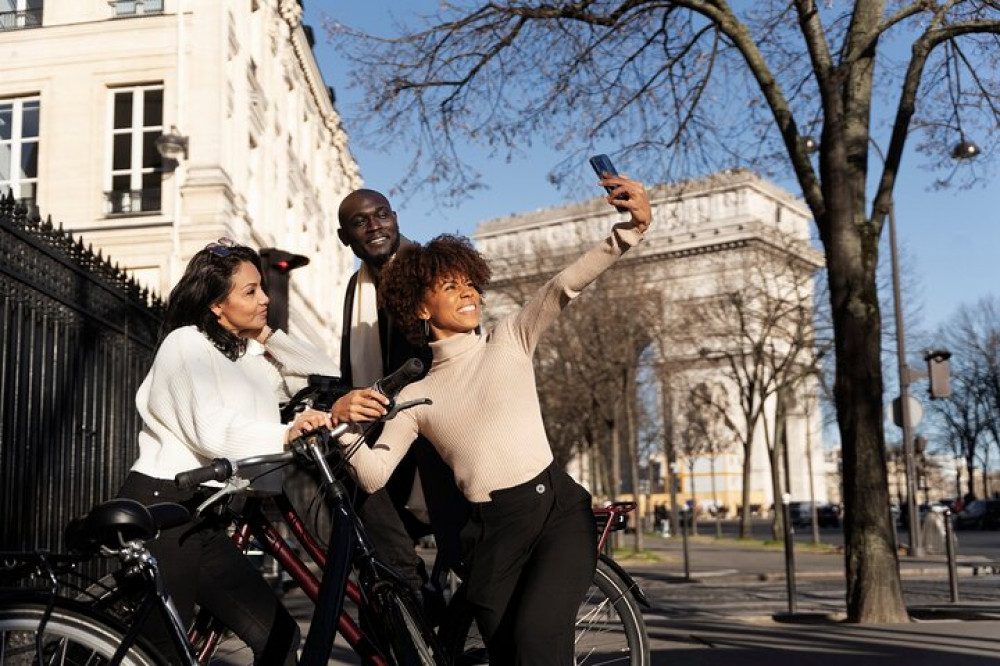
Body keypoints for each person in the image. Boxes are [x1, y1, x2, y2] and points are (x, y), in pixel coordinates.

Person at [343, 174, 652, 664]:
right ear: (422, 307)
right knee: (509, 656)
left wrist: (628, 232)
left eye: (470, 284)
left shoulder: (509, 338)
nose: (469, 295)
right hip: (488, 539)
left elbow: (563, 285)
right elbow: (373, 474)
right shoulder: (415, 396)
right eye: (451, 287)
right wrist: (343, 426)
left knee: (535, 642)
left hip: (553, 516)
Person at [116, 238, 385, 664]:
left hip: (200, 518)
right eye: (251, 291)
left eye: (263, 288)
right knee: (162, 652)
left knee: (279, 636)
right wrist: (285, 432)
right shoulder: (185, 345)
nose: (265, 299)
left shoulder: (249, 359)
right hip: (160, 505)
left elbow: (323, 374)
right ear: (216, 305)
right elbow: (213, 431)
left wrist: (267, 334)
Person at [337, 189, 468, 595]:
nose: (374, 225)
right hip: (386, 437)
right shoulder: (354, 289)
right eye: (361, 221)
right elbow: (350, 367)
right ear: (345, 237)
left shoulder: (426, 270)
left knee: (463, 556)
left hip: (438, 431)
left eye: (381, 215)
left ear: (395, 218)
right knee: (386, 560)